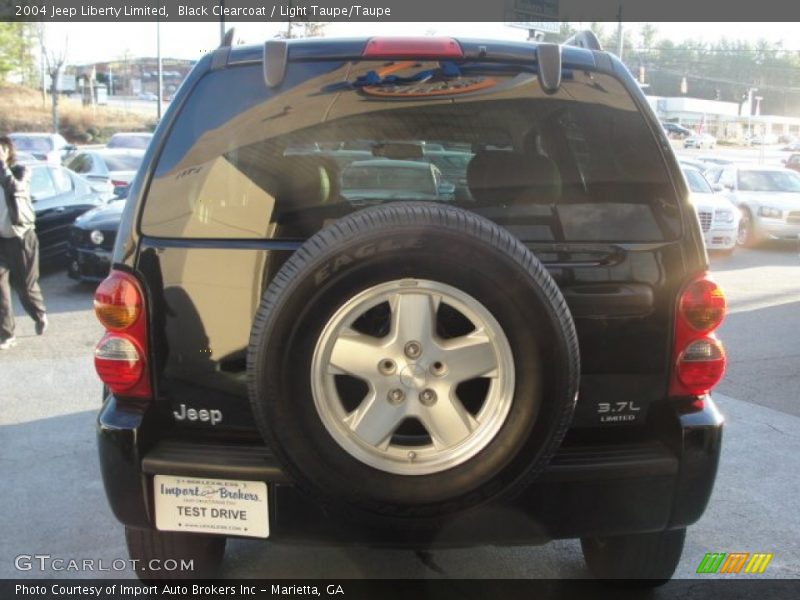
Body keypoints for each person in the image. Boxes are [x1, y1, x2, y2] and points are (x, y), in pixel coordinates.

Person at [0, 135, 48, 349]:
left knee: (24, 286)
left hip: (21, 237)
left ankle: (39, 315)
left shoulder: (21, 171)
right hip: (1, 240)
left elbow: (15, 189)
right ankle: (6, 334)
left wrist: (2, 165)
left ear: (8, 151)